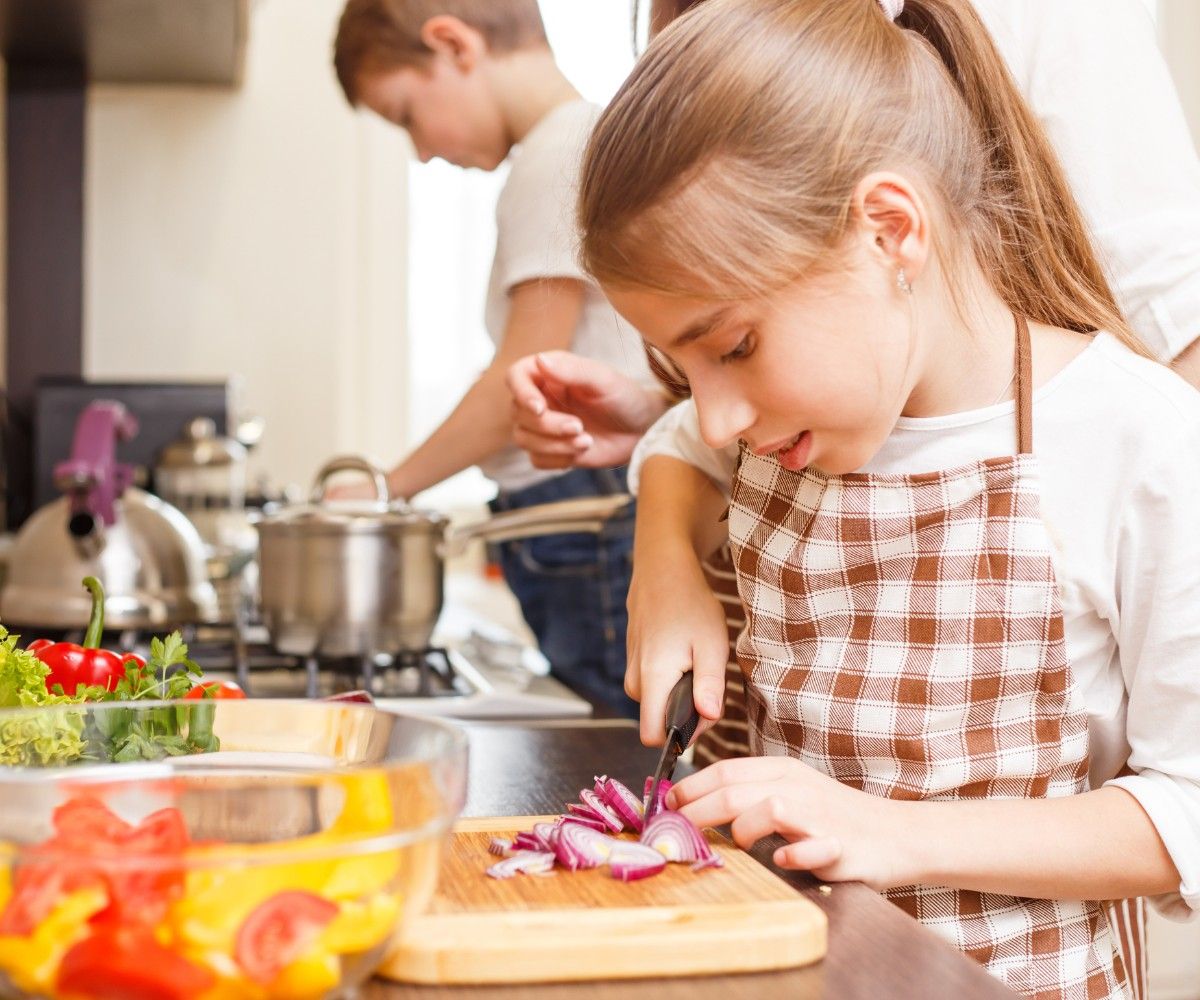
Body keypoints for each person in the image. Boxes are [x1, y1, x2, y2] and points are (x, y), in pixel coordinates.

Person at [569, 0, 1200, 996]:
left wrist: (889, 831)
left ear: (889, 230)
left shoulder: (1141, 441)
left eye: (734, 345)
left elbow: (1185, 812)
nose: (721, 412)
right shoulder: (790, 410)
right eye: (685, 365)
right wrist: (666, 570)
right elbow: (676, 444)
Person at [331, 0, 652, 717]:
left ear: (454, 45)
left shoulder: (559, 153)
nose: (419, 150)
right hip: (574, 510)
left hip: (582, 508)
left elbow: (523, 375)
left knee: (609, 743)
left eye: (406, 114)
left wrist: (388, 489)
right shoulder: (568, 146)